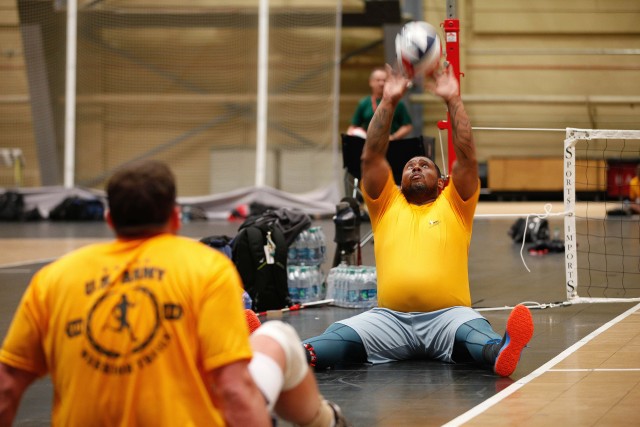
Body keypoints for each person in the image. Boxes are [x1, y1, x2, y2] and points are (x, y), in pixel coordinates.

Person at [0, 160, 349, 427]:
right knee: (278, 336)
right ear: (174, 218)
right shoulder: (206, 269)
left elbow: (7, 387)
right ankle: (325, 420)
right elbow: (234, 390)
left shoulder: (54, 278)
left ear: (109, 219)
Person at [303, 63, 534, 377]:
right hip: (389, 319)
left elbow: (467, 157)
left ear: (441, 182)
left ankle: (502, 350)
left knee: (476, 337)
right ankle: (284, 353)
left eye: (424, 165)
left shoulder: (455, 203)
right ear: (398, 181)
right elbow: (371, 154)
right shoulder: (386, 204)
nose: (414, 168)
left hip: (448, 317)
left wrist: (453, 100)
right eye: (409, 166)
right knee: (334, 340)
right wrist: (388, 101)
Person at [347, 66, 413, 141]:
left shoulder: (397, 103)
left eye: (384, 80)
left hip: (392, 145)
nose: (381, 83)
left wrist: (393, 137)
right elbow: (353, 126)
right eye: (378, 80)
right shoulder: (364, 103)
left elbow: (407, 126)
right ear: (371, 82)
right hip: (369, 145)